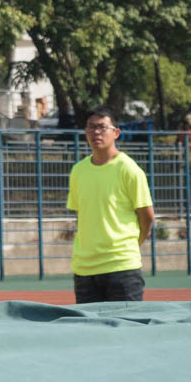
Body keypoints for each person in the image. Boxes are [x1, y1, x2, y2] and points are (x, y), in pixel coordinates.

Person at [67, 106, 155, 303]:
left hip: (122, 268)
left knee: (126, 331)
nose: (95, 132)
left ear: (116, 132)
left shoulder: (129, 169)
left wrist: (134, 244)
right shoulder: (78, 171)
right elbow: (82, 214)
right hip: (85, 269)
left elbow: (147, 217)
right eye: (90, 127)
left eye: (102, 127)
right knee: (89, 333)